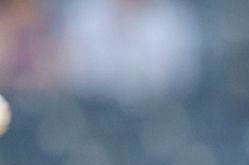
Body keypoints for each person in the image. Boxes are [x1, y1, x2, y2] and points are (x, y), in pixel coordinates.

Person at [59, 0, 202, 104]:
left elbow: (182, 84)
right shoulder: (82, 15)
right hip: (93, 112)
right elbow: (73, 78)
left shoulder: (176, 21)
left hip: (157, 114)